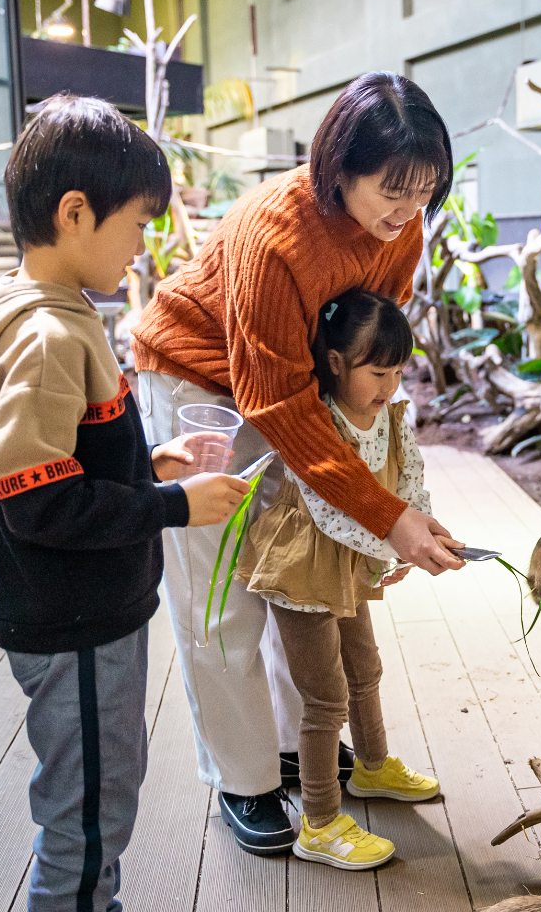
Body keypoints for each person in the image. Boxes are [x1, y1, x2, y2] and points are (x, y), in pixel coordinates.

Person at [132, 72, 466, 855]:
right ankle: (244, 781)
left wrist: (381, 499)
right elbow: (275, 404)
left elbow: (356, 358)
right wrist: (387, 516)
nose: (408, 210)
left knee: (297, 568)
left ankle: (294, 744)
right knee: (219, 587)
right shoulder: (274, 233)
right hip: (197, 383)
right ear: (337, 166)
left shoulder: (399, 231)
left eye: (425, 192)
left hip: (293, 386)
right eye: (393, 188)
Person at [0, 95, 250, 912]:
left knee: (103, 790)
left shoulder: (44, 311)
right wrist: (173, 505)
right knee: (87, 816)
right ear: (77, 214)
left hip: (78, 608)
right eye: (137, 225)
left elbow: (61, 463)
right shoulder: (46, 337)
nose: (143, 245)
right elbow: (38, 506)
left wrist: (150, 466)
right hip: (74, 617)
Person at [238, 288, 441, 869]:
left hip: (353, 562)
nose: (389, 386)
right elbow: (329, 511)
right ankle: (320, 821)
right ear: (334, 363)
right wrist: (392, 547)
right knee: (324, 696)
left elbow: (410, 486)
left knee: (365, 667)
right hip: (301, 569)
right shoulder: (316, 425)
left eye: (399, 370)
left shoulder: (392, 419)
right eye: (377, 371)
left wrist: (425, 531)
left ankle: (373, 767)